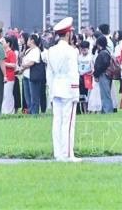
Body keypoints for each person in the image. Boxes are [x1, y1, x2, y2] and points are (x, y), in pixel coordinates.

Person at [47, 17, 80, 162]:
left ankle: (58, 153)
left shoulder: (51, 50)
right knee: (68, 123)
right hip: (68, 88)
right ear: (68, 34)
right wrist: (75, 92)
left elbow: (49, 73)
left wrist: (51, 91)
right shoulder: (71, 51)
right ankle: (67, 154)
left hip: (56, 87)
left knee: (57, 122)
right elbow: (73, 73)